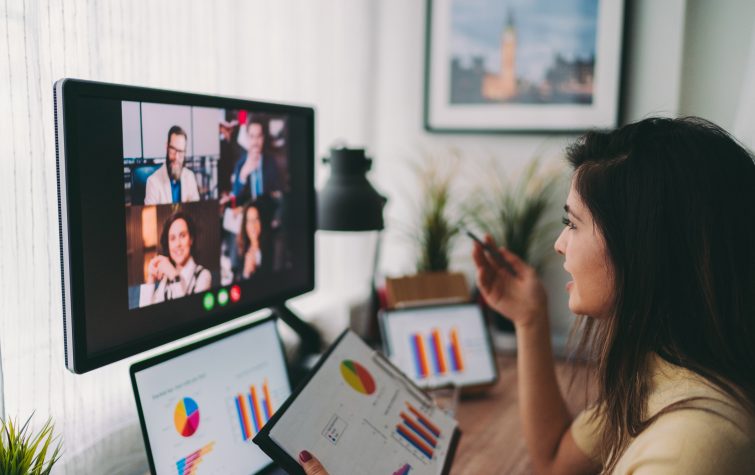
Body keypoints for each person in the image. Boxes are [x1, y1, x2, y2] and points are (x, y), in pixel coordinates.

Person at [295, 117, 755, 474]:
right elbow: (556, 460)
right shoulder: (659, 373)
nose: (559, 244)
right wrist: (530, 317)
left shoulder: (694, 444)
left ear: (642, 251)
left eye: (573, 224)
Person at [139, 211, 211, 306]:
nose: (177, 244)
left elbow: (189, 313)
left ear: (191, 239)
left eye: (182, 236)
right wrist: (151, 278)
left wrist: (173, 275)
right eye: (172, 238)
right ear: (168, 245)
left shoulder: (203, 276)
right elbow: (145, 316)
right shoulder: (165, 279)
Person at [229, 116, 281, 204]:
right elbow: (235, 199)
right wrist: (243, 175)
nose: (255, 142)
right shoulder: (240, 164)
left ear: (263, 138)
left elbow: (278, 193)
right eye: (252, 136)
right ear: (247, 138)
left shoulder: (271, 162)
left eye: (259, 136)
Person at [144, 125, 200, 205]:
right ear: (167, 147)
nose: (176, 157)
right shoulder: (153, 182)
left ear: (185, 152)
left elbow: (196, 210)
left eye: (180, 151)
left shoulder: (190, 177)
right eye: (173, 149)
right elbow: (149, 216)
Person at [235, 201, 272, 280]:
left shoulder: (272, 245)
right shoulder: (241, 251)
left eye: (256, 219)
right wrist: (246, 272)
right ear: (245, 225)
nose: (253, 225)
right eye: (249, 221)